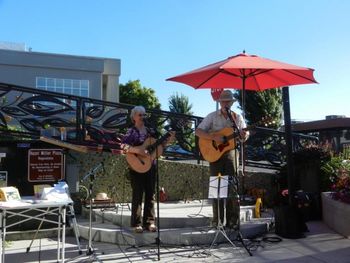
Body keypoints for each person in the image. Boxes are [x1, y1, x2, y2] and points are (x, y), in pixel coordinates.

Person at [195, 90, 249, 229]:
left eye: (228, 101)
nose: (226, 103)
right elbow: (198, 131)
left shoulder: (237, 118)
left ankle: (233, 222)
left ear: (231, 103)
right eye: (223, 101)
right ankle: (217, 221)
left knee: (232, 187)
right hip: (215, 156)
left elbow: (244, 134)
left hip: (231, 154)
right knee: (216, 188)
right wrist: (214, 137)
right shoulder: (212, 117)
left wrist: (244, 135)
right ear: (220, 103)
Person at [122, 106, 175, 233]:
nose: (142, 117)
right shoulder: (132, 131)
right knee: (137, 194)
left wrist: (170, 139)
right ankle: (136, 224)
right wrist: (138, 150)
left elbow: (161, 145)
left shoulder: (151, 131)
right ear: (134, 117)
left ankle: (150, 222)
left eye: (144, 115)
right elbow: (123, 146)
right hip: (136, 165)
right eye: (140, 115)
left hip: (151, 165)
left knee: (151, 194)